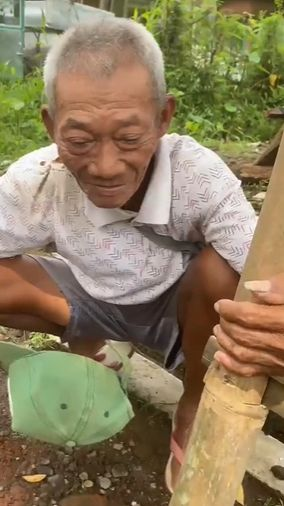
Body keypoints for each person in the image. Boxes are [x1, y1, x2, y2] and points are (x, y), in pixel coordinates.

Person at [0, 17, 260, 492]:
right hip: (93, 301)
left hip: (182, 313)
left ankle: (193, 401)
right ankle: (88, 344)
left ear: (164, 117)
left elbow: (262, 270)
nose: (104, 166)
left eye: (128, 137)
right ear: (50, 124)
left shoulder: (198, 176)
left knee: (224, 272)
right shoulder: (37, 180)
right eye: (79, 140)